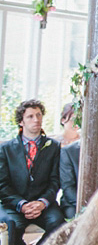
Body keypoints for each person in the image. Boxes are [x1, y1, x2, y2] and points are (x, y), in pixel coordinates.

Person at [0, 100, 64, 245]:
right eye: (30, 116)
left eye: (39, 115)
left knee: (58, 223)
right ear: (21, 122)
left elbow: (56, 181)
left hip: (43, 205)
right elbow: (2, 185)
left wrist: (42, 202)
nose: (36, 119)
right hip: (15, 204)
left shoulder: (53, 146)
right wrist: (21, 204)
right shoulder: (6, 149)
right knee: (11, 226)